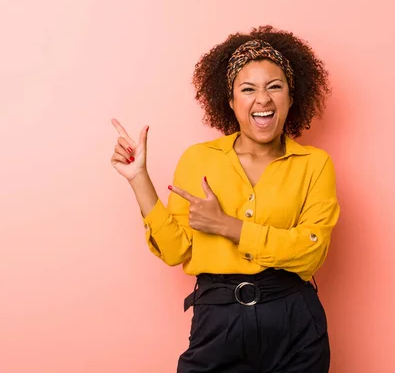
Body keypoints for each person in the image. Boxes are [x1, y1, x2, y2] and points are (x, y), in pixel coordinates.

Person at [110, 25, 340, 373]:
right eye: (248, 89)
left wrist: (227, 226)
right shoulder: (199, 159)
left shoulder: (315, 165)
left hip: (294, 320)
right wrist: (139, 179)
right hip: (218, 320)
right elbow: (175, 251)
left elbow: (310, 252)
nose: (262, 99)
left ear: (292, 97)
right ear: (230, 102)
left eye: (274, 87)